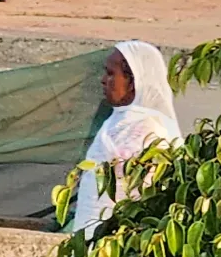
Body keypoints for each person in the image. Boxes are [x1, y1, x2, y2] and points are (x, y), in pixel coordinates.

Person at [67, 41, 183, 235]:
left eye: (111, 74)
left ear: (133, 82)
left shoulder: (152, 131)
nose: (103, 80)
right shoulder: (116, 121)